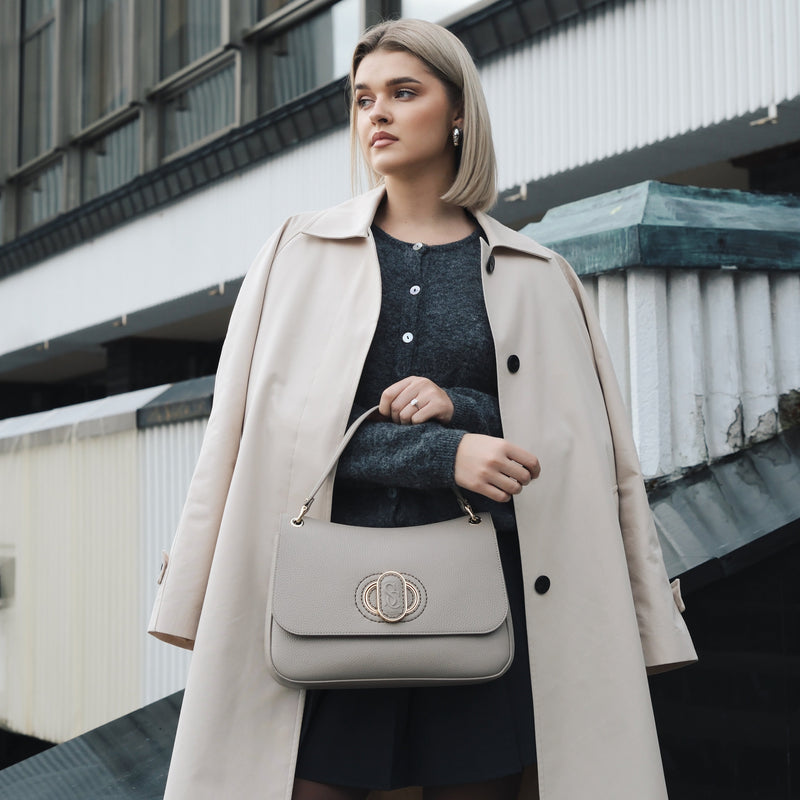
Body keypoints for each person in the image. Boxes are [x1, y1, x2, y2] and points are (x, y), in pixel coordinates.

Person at [149, 18, 696, 800]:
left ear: (458, 112)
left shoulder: (541, 273)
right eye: (364, 97)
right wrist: (446, 453)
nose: (378, 113)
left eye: (405, 93)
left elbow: (574, 453)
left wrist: (462, 408)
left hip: (488, 609)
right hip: (320, 601)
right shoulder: (297, 253)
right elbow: (275, 433)